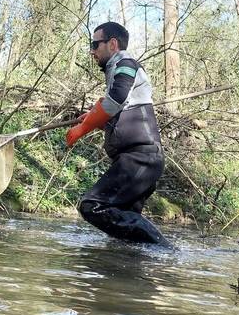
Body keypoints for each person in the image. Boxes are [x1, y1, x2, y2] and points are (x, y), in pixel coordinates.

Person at [66, 21, 168, 244]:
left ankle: (166, 251)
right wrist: (95, 118)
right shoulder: (118, 69)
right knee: (127, 237)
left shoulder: (126, 63)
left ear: (112, 43)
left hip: (140, 159)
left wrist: (84, 127)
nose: (92, 51)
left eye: (95, 44)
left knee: (92, 205)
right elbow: (120, 110)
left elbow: (116, 100)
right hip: (137, 159)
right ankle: (140, 265)